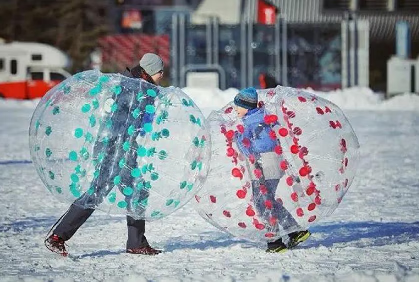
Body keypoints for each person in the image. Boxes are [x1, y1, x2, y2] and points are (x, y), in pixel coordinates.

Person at [45, 53, 165, 256]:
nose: (162, 76)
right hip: (116, 148)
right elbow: (119, 120)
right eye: (161, 72)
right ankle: (58, 236)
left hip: (125, 148)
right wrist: (114, 149)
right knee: (97, 193)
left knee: (136, 191)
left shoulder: (139, 86)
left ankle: (136, 243)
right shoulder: (134, 88)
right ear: (153, 71)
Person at [233, 87, 310, 253]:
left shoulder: (253, 124)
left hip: (263, 167)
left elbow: (257, 147)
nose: (235, 109)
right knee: (270, 201)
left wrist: (239, 138)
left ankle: (274, 241)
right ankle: (294, 231)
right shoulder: (261, 118)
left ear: (246, 107)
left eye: (238, 106)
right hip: (271, 166)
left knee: (263, 204)